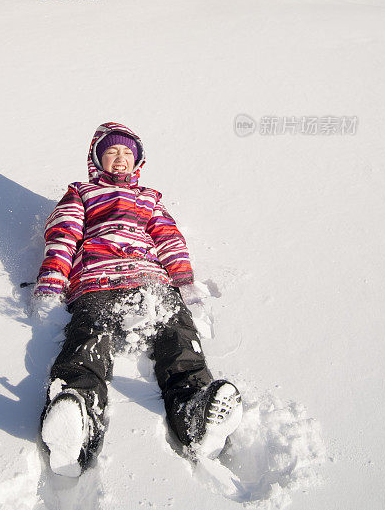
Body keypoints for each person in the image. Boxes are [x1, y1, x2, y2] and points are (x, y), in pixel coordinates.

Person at [33, 121, 242, 477]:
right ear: (96, 159)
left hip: (150, 281)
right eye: (111, 152)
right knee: (86, 342)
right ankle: (77, 414)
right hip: (98, 281)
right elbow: (64, 235)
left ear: (138, 161)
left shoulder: (149, 199)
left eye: (127, 153)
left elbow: (169, 240)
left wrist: (185, 283)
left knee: (178, 337)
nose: (119, 159)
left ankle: (194, 413)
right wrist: (51, 285)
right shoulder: (81, 193)